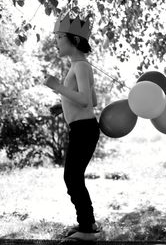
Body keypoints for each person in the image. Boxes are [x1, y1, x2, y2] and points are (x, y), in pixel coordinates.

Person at [44, 13, 101, 241]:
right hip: (82, 128)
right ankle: (87, 224)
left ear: (74, 40)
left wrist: (58, 87)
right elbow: (92, 100)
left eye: (59, 37)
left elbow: (86, 101)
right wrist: (63, 103)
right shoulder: (79, 66)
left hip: (85, 129)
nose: (56, 41)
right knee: (73, 177)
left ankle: (87, 229)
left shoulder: (80, 66)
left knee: (72, 177)